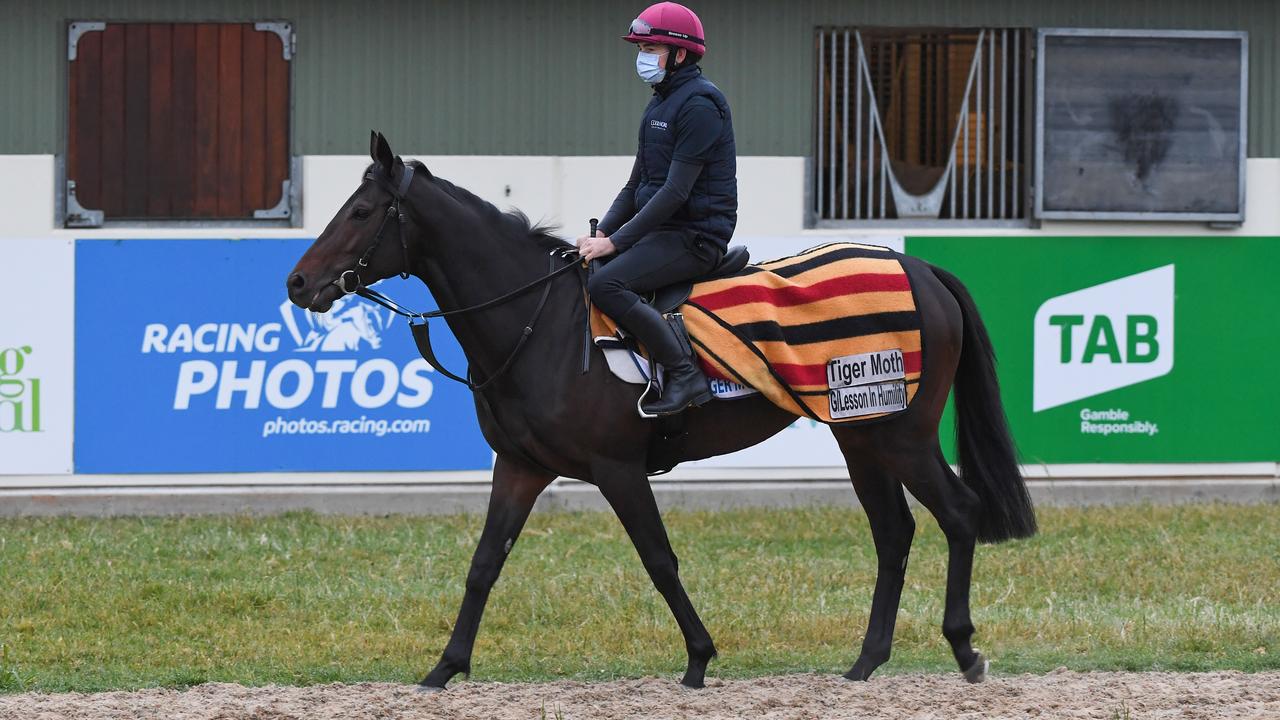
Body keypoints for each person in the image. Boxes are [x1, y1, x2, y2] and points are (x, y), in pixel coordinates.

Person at [578, 1, 738, 417]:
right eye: (641, 49)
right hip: (663, 231)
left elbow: (674, 193)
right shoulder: (660, 103)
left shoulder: (701, 105)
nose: (642, 58)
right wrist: (602, 233)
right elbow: (637, 184)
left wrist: (615, 243)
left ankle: (685, 374)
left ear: (679, 54)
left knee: (605, 285)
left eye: (651, 50)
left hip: (696, 236)